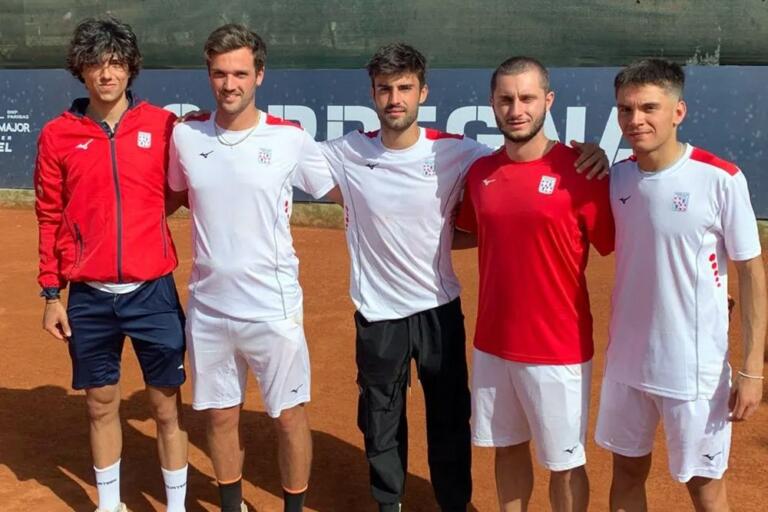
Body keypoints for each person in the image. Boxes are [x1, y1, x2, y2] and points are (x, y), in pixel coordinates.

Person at [320, 45, 609, 512]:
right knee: (382, 419)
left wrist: (593, 154)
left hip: (451, 312)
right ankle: (388, 503)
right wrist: (207, 122)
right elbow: (276, 149)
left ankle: (454, 504)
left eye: (405, 87)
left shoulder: (464, 154)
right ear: (373, 93)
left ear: (423, 92)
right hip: (392, 315)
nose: (395, 98)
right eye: (385, 88)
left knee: (455, 420)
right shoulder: (353, 151)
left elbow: (621, 232)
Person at [166, 24, 334, 512]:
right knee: (219, 419)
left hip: (273, 309)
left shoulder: (289, 139)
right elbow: (174, 196)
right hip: (209, 308)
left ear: (259, 75)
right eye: (219, 73)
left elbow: (343, 192)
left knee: (288, 417)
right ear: (209, 75)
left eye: (240, 72)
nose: (229, 83)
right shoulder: (185, 135)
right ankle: (231, 505)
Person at [595, 58, 766, 512]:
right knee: (627, 473)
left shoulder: (721, 179)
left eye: (649, 107)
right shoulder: (617, 178)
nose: (636, 120)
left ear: (679, 112)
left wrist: (751, 369)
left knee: (705, 487)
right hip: (627, 365)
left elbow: (751, 274)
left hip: (694, 373)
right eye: (625, 110)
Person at [34, 16, 188, 512]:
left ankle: (179, 506)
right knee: (101, 404)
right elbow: (49, 216)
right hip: (89, 297)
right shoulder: (58, 135)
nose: (106, 73)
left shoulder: (164, 126)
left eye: (116, 63)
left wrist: (137, 228)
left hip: (153, 291)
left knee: (167, 407)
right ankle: (109, 505)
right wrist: (51, 295)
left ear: (130, 69)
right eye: (96, 63)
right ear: (80, 70)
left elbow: (173, 195)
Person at [455, 56, 615, 512]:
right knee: (506, 448)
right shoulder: (480, 173)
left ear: (548, 100)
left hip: (557, 348)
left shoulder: (583, 172)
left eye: (527, 98)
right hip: (492, 344)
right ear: (492, 104)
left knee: (564, 465)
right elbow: (469, 233)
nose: (516, 109)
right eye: (506, 99)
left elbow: (632, 242)